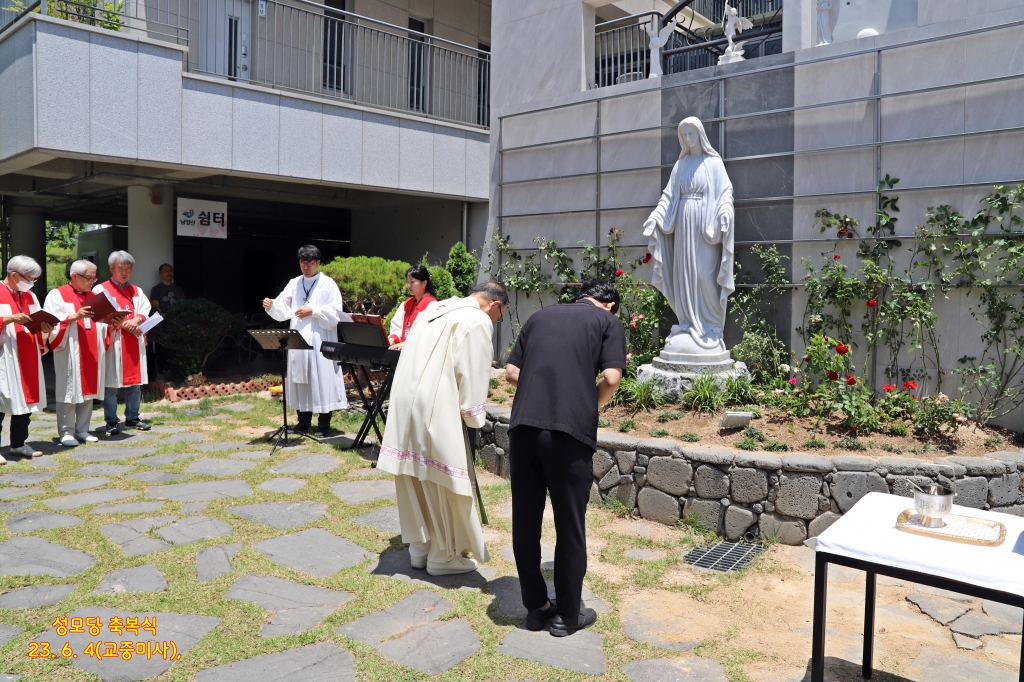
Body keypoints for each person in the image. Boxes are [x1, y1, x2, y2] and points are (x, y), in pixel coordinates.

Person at [505, 279, 626, 637]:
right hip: (568, 434)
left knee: (525, 522)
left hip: (523, 428)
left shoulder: (540, 317)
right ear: (610, 304)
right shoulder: (608, 323)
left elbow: (512, 372)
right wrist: (587, 404)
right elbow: (611, 377)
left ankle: (536, 609)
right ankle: (567, 616)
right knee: (570, 525)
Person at [377, 281, 507, 576]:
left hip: (407, 399)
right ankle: (443, 556)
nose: (495, 322)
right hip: (439, 403)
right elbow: (471, 370)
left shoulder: (434, 309)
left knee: (415, 473)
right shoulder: (476, 319)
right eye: (498, 317)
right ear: (495, 305)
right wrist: (473, 415)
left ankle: (419, 547)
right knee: (444, 478)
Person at [263, 245, 348, 438]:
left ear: (318, 263)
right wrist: (272, 305)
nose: (306, 266)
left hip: (320, 338)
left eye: (310, 263)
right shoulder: (295, 283)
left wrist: (314, 311)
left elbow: (336, 313)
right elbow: (283, 304)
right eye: (303, 262)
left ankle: (324, 424)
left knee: (321, 379)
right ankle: (303, 422)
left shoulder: (328, 284)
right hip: (298, 338)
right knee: (300, 380)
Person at [45, 260, 110, 447]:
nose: (92, 282)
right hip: (70, 348)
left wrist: (111, 322)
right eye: (89, 278)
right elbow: (50, 321)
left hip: (91, 349)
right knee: (69, 389)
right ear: (75, 276)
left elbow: (102, 321)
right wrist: (74, 316)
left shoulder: (95, 295)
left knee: (88, 390)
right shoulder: (57, 295)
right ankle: (66, 432)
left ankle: (82, 429)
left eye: (94, 278)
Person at [0, 255, 54, 461]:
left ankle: (18, 444)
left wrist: (45, 330)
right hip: (6, 354)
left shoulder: (29, 296)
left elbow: (37, 321)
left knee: (25, 403)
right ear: (14, 275)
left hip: (28, 353)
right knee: (1, 401)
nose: (31, 284)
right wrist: (8, 319)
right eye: (29, 279)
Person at [96, 250, 152, 436]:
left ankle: (133, 417)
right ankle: (111, 421)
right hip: (113, 342)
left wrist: (136, 321)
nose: (124, 272)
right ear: (111, 268)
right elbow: (97, 315)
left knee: (135, 384)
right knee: (111, 384)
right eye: (120, 268)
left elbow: (145, 309)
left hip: (133, 341)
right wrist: (118, 324)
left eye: (128, 268)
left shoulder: (136, 291)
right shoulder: (101, 290)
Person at [387, 265, 438, 350]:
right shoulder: (406, 304)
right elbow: (398, 327)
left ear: (424, 283)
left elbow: (428, 334)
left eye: (412, 282)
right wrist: (392, 338)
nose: (409, 285)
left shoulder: (432, 305)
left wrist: (407, 344)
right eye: (408, 282)